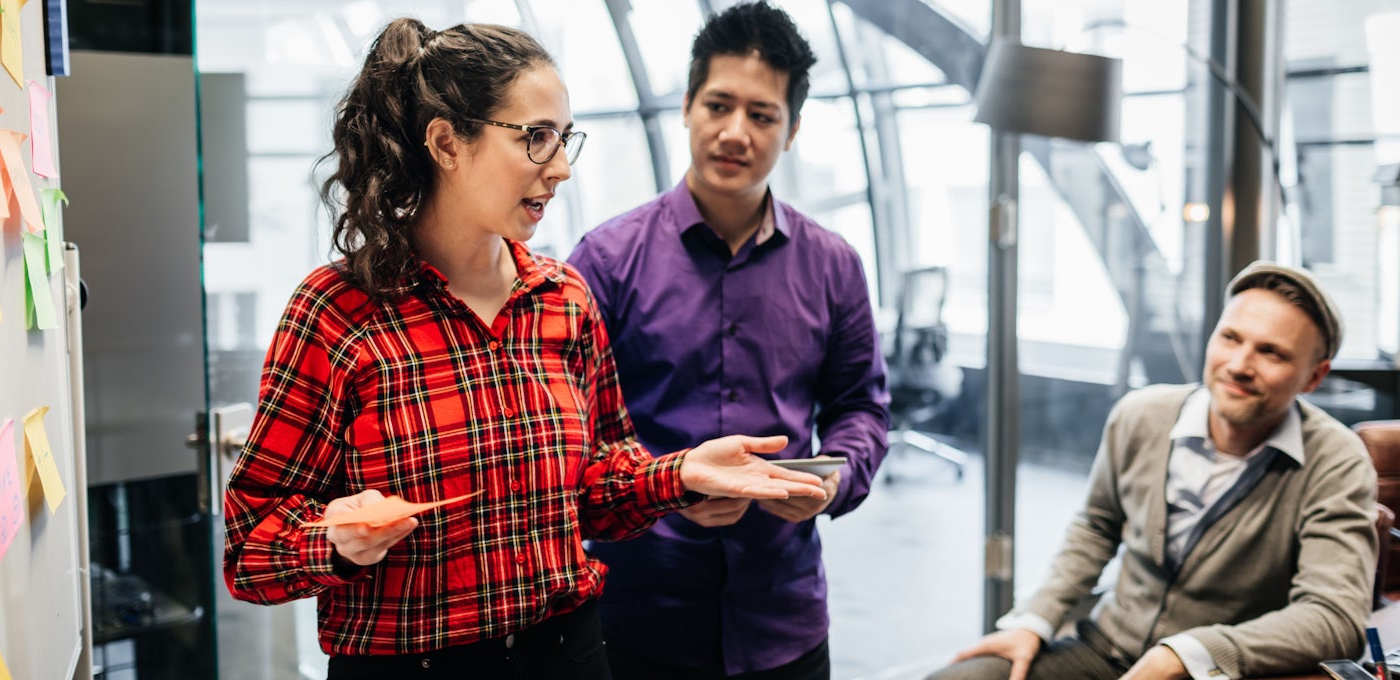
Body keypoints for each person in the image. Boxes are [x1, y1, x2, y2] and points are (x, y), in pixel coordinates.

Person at [220, 17, 828, 680]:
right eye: (536, 139)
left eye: (565, 140)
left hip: (571, 655)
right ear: (448, 143)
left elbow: (596, 490)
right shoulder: (338, 314)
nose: (562, 168)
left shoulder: (564, 298)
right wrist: (332, 542)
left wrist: (679, 474)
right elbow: (250, 548)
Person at [567, 3, 890, 678]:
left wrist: (831, 480)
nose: (735, 132)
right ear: (687, 106)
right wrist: (665, 483)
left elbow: (861, 409)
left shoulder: (834, 264)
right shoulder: (605, 260)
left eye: (763, 115)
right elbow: (568, 430)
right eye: (719, 105)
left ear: (792, 129)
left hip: (784, 616)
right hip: (638, 612)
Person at [930, 261, 1377, 680]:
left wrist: (1188, 653)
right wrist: (1036, 618)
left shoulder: (1336, 460)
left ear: (1315, 376)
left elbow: (1334, 617)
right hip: (1103, 649)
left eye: (1271, 353)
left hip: (1213, 671)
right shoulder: (1141, 415)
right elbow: (1096, 528)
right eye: (1230, 338)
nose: (1239, 365)